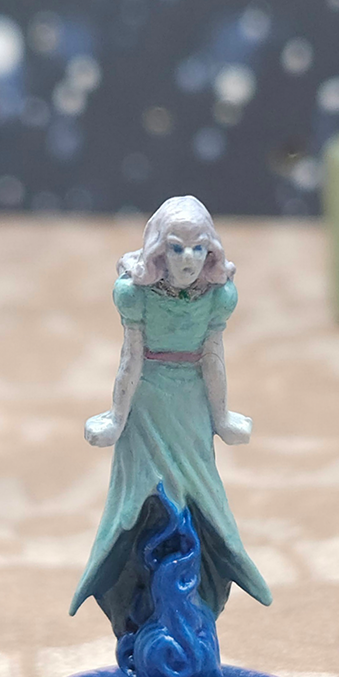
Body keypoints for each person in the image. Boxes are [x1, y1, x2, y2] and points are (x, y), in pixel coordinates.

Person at [69, 195, 272, 637]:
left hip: (191, 404)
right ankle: (136, 603)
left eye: (198, 248)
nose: (188, 259)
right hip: (146, 404)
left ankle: (196, 601)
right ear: (159, 249)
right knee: (137, 502)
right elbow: (130, 359)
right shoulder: (134, 294)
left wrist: (222, 418)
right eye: (177, 247)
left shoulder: (218, 297)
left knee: (204, 498)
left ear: (211, 250)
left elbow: (212, 357)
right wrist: (116, 419)